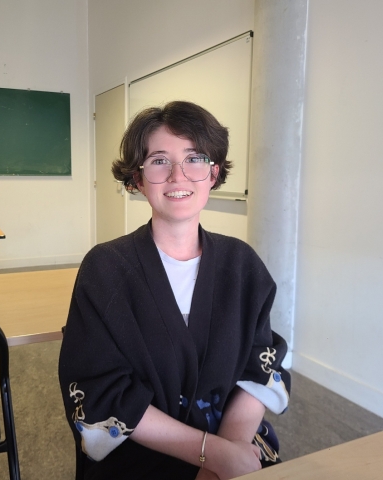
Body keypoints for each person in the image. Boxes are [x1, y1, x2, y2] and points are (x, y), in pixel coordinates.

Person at [59, 101, 290, 480]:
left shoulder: (242, 264)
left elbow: (259, 365)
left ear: (213, 173)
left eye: (195, 158)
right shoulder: (105, 270)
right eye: (159, 161)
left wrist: (226, 452)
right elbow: (100, 389)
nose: (178, 176)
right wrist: (208, 453)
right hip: (141, 451)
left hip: (236, 442)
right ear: (137, 178)